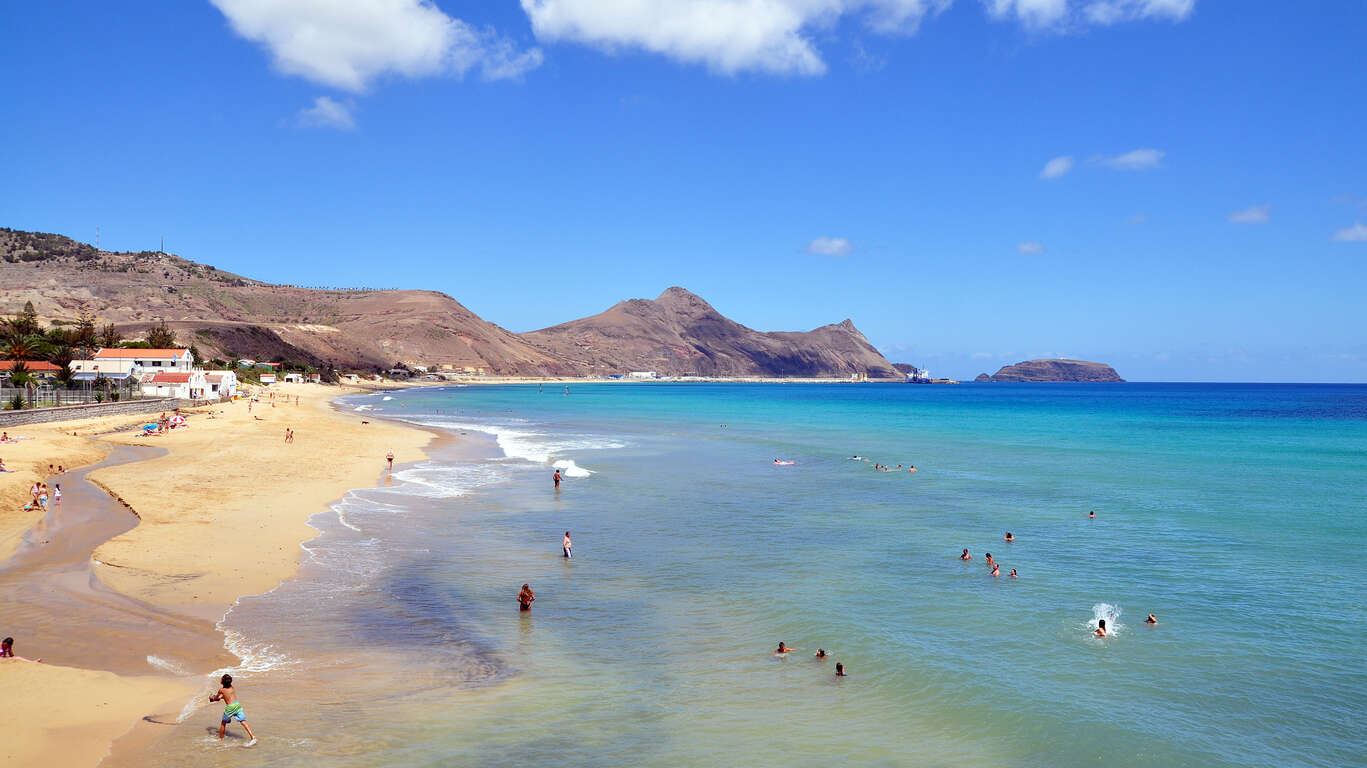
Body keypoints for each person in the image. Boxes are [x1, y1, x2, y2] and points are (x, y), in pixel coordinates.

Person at [210, 673, 257, 746]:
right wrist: (221, 698)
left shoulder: (221, 690)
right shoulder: (232, 687)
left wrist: (211, 697)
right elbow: (227, 696)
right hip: (237, 705)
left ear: (222, 682)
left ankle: (220, 739)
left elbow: (216, 698)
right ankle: (252, 736)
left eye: (221, 679)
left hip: (230, 707)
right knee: (243, 721)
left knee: (223, 723)